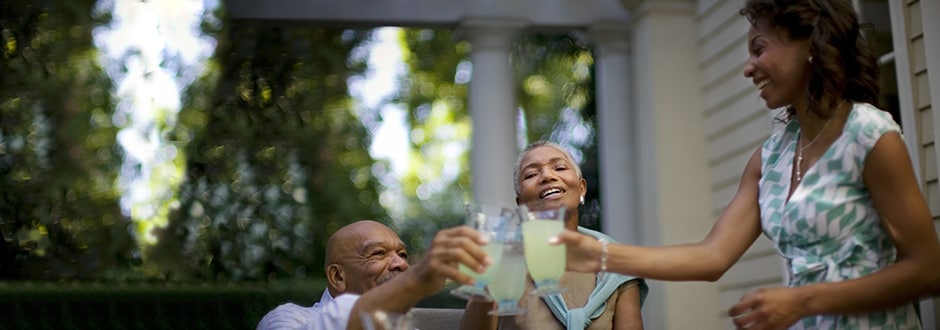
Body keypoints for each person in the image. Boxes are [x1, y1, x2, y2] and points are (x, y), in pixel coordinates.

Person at [551, 1, 940, 329]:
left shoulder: (869, 134)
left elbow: (927, 269)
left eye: (759, 49)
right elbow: (712, 256)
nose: (748, 67)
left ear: (809, 44)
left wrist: (803, 300)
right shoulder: (769, 158)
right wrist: (597, 252)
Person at [462, 141, 647, 330]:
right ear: (521, 204)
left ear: (581, 189)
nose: (547, 176)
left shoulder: (617, 264)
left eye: (559, 167)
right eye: (532, 174)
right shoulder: (507, 258)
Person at [257, 220, 489, 330]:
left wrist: (491, 286)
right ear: (338, 277)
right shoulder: (287, 320)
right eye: (378, 253)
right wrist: (417, 278)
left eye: (403, 253)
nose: (400, 264)